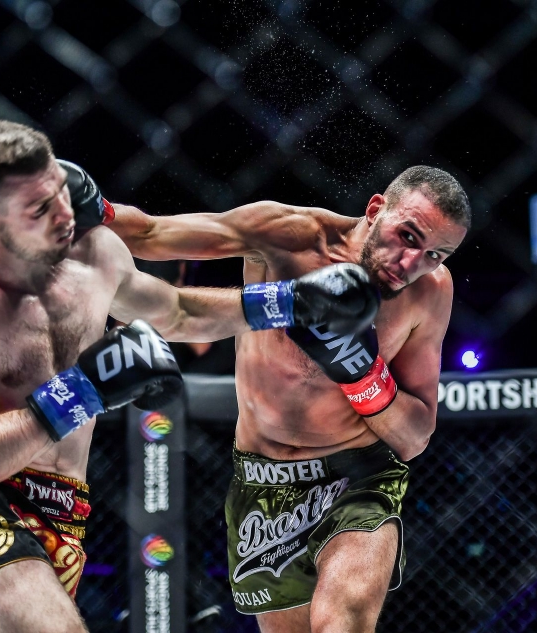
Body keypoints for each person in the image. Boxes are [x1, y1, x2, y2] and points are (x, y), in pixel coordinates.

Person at [0, 119, 379, 633]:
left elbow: (179, 312)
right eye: (38, 209)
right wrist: (84, 389)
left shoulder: (94, 251)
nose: (64, 216)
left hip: (67, 513)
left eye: (61, 193)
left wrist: (291, 302)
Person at [108, 165, 470, 632]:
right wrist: (89, 211)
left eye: (435, 254)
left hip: (357, 478)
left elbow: (415, 436)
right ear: (375, 209)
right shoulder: (288, 235)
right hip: (261, 484)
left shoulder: (431, 291)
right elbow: (151, 234)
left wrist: (360, 371)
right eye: (408, 236)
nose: (410, 263)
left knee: (342, 622)